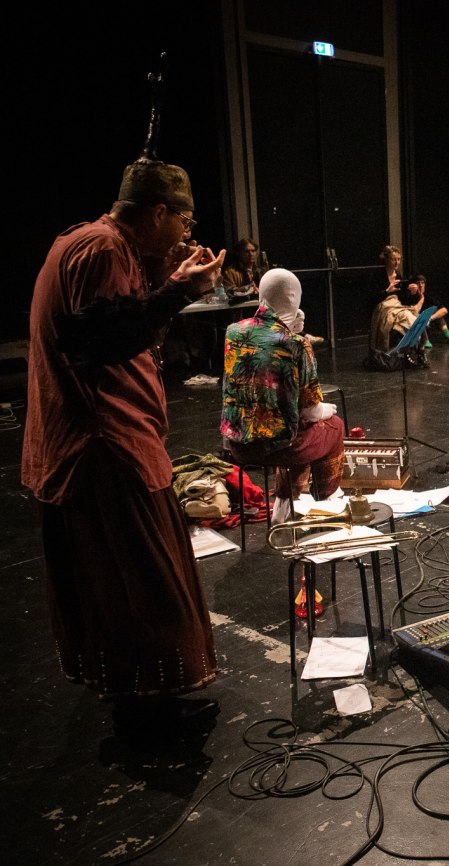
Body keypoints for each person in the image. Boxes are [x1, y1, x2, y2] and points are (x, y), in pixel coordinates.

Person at [23, 155, 226, 737]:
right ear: (158, 212)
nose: (186, 232)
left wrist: (164, 278)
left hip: (101, 442)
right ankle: (147, 713)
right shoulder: (102, 249)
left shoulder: (90, 243)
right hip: (104, 446)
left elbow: (117, 320)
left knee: (118, 584)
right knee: (142, 585)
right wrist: (178, 291)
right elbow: (100, 339)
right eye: (183, 221)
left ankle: (142, 702)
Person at [221, 268, 345, 524]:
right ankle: (328, 502)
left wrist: (288, 327)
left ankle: (283, 504)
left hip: (237, 445)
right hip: (278, 448)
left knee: (297, 429)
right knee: (332, 427)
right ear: (293, 299)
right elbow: (311, 410)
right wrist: (326, 410)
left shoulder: (233, 331)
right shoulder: (297, 344)